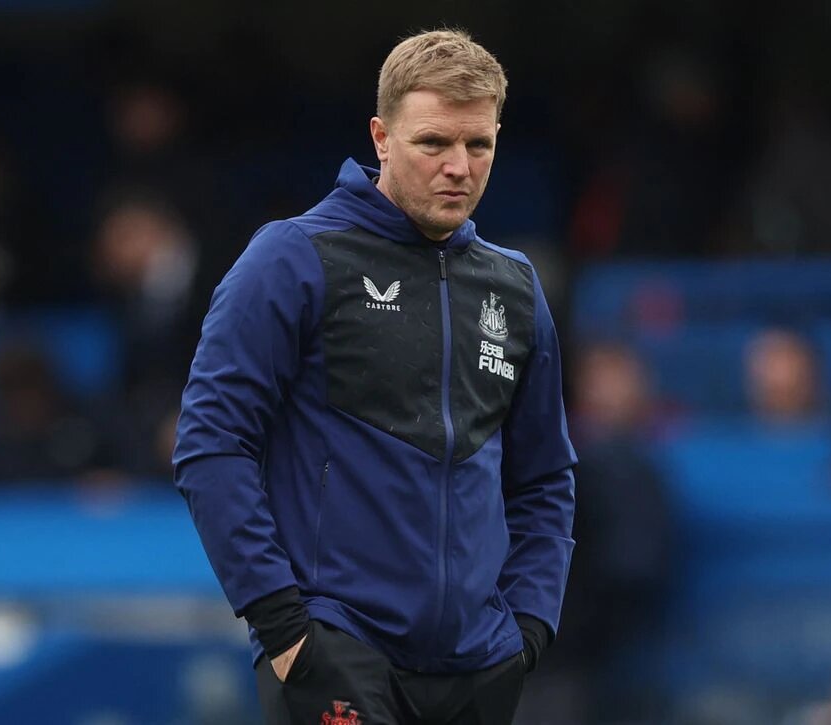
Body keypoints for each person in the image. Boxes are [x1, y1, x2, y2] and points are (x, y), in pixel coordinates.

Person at [173, 29, 576, 725]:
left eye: (478, 145)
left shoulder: (514, 286)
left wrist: (530, 627)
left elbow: (545, 478)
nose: (459, 166)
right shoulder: (294, 258)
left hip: (480, 663)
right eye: (433, 143)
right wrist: (284, 626)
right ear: (381, 137)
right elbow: (210, 444)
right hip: (338, 647)